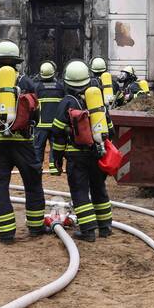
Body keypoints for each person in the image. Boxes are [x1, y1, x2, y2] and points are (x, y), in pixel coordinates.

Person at [0, 40, 46, 243]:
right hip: (22, 140)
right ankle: (36, 227)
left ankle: (6, 234)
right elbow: (36, 114)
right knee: (32, 182)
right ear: (17, 62)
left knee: (0, 186)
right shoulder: (27, 83)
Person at [51, 60, 113, 242]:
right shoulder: (96, 101)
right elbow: (110, 129)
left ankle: (87, 231)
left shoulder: (67, 102)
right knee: (99, 189)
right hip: (97, 153)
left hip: (76, 155)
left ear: (67, 83)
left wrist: (57, 158)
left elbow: (57, 132)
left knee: (79, 191)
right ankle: (105, 227)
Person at [32, 61, 66, 175]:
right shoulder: (60, 87)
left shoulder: (36, 87)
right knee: (55, 147)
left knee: (38, 148)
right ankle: (54, 168)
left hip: (40, 125)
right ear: (53, 73)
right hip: (55, 124)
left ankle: (36, 169)